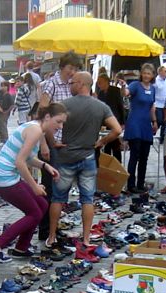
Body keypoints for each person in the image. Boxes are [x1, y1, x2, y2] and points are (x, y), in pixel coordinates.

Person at [46, 72, 122, 248]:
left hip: (65, 156)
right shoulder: (101, 106)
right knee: (87, 199)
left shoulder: (64, 105)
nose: (70, 85)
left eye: (72, 82)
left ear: (80, 84)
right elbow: (117, 130)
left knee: (58, 198)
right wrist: (102, 141)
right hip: (88, 156)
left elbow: (47, 125)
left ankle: (51, 236)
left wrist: (53, 142)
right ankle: (86, 238)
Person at [0, 103, 67, 263]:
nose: (60, 126)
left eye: (63, 123)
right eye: (58, 121)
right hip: (2, 178)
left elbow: (28, 158)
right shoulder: (35, 130)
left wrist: (45, 165)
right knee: (34, 212)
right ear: (47, 117)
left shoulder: (37, 129)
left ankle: (21, 248)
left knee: (42, 205)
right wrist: (34, 186)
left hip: (5, 176)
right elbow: (20, 162)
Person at [37, 51, 82, 241]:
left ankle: (53, 227)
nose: (73, 72)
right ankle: (45, 229)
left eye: (75, 69)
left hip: (63, 142)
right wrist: (46, 143)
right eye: (70, 68)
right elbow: (41, 115)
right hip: (51, 141)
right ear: (62, 67)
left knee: (59, 188)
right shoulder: (51, 84)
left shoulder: (71, 87)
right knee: (50, 187)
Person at [122, 63, 157, 193]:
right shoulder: (135, 85)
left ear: (153, 75)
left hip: (146, 125)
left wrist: (154, 121)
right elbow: (126, 93)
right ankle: (131, 185)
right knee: (134, 155)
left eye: (149, 73)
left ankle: (140, 184)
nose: (147, 75)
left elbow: (151, 106)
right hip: (135, 124)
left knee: (144, 157)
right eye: (145, 73)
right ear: (141, 74)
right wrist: (123, 86)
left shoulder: (153, 89)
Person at [96, 73, 125, 162]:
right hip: (105, 123)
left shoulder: (115, 90)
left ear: (106, 82)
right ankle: (107, 166)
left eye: (100, 82)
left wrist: (123, 122)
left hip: (115, 121)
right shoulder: (100, 93)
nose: (98, 84)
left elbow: (121, 106)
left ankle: (118, 166)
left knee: (116, 146)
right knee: (107, 146)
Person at [154, 65, 166, 143]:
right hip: (158, 104)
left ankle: (162, 139)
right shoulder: (155, 81)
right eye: (165, 71)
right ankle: (153, 133)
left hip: (165, 105)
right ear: (160, 72)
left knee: (165, 122)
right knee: (159, 121)